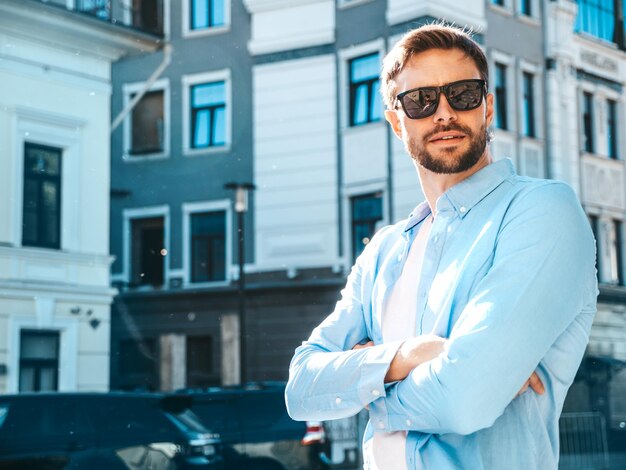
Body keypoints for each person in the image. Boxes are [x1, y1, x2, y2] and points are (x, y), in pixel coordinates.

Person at [285, 23, 598, 469]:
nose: (444, 112)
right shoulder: (383, 251)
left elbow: (464, 398)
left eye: (464, 94)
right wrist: (406, 356)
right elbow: (300, 389)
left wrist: (365, 387)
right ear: (397, 121)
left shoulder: (542, 210)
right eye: (420, 101)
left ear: (488, 107)